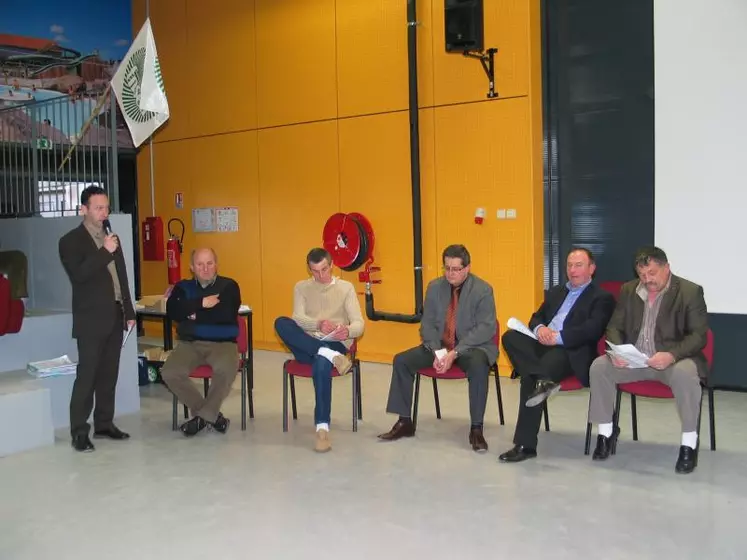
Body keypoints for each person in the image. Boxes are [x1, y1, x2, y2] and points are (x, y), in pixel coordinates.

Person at [588, 246, 708, 474]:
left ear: (667, 268)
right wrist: (617, 352)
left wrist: (671, 355)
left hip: (672, 360)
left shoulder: (690, 292)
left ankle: (689, 443)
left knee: (685, 373)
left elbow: (699, 336)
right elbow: (614, 326)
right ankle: (606, 432)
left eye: (652, 273)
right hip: (635, 360)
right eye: (642, 275)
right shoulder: (629, 290)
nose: (647, 280)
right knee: (599, 366)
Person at [498, 248, 615, 463]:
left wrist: (558, 337)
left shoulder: (602, 297)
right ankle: (544, 380)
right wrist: (541, 328)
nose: (572, 270)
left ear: (592, 268)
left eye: (578, 265)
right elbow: (536, 318)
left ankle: (525, 445)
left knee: (530, 379)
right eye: (569, 265)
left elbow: (593, 329)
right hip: (542, 345)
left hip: (570, 350)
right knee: (510, 338)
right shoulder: (555, 292)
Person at [378, 244, 497, 452]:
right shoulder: (434, 287)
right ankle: (405, 422)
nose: (450, 273)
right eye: (447, 268)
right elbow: (428, 324)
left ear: (467, 268)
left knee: (479, 366)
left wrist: (455, 353)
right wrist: (438, 352)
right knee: (402, 360)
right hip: (440, 346)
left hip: (470, 347)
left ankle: (476, 428)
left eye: (455, 269)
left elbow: (486, 328)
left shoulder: (483, 290)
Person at [59, 186, 136, 452]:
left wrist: (129, 310)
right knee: (87, 376)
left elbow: (121, 275)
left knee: (108, 375)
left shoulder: (111, 237)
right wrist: (104, 250)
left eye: (106, 207)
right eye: (98, 208)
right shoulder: (70, 241)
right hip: (91, 319)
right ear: (84, 209)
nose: (104, 213)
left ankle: (104, 423)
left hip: (116, 314)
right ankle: (79, 431)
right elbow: (80, 274)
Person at [274, 248, 365, 453]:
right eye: (315, 271)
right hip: (309, 340)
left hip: (335, 343)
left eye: (324, 269)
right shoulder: (301, 287)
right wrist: (317, 324)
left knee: (321, 363)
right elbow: (297, 318)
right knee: (281, 322)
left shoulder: (346, 288)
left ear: (332, 265)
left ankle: (322, 428)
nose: (321, 275)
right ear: (309, 269)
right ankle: (329, 355)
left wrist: (347, 330)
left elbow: (360, 324)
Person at [161, 248, 241, 437]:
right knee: (169, 372)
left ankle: (201, 418)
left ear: (217, 265)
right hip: (191, 343)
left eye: (209, 263)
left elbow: (226, 314)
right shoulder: (182, 287)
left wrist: (192, 313)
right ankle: (212, 416)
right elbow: (173, 311)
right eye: (200, 264)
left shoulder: (229, 286)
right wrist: (202, 304)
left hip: (223, 343)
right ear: (191, 267)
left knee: (225, 370)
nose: (205, 268)